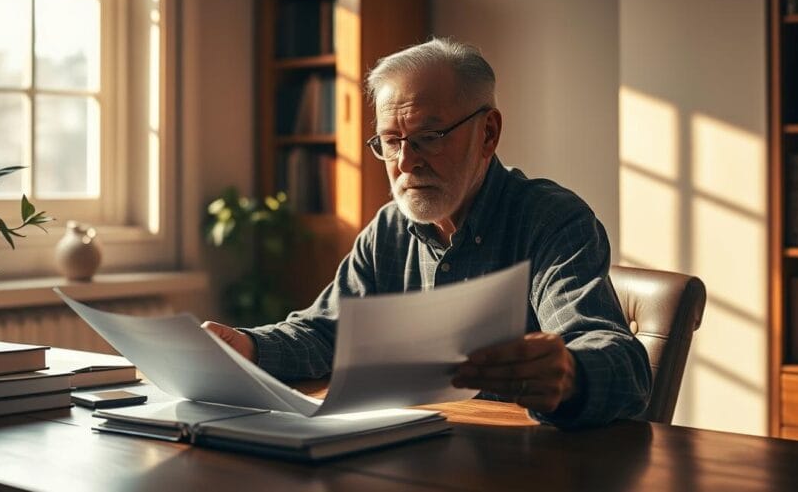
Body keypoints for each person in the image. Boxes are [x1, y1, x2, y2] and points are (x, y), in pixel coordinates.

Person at [204, 37, 651, 428]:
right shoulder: (388, 230)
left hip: (525, 469)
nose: (406, 161)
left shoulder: (550, 220)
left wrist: (571, 372)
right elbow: (328, 333)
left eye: (429, 136)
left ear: (488, 134)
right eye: (391, 141)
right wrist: (248, 346)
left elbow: (616, 358)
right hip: (409, 458)